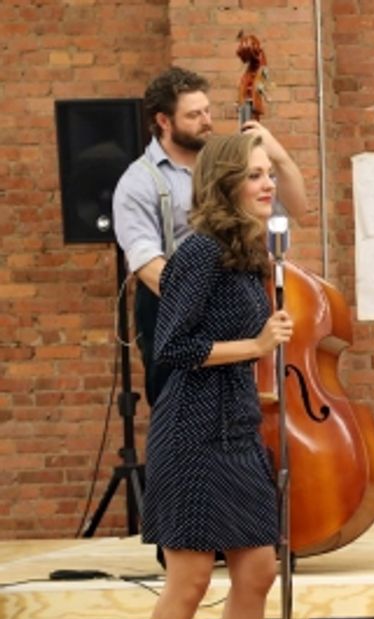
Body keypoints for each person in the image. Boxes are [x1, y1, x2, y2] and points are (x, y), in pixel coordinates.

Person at [134, 133, 294, 619]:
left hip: (236, 427)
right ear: (226, 183)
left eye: (268, 175)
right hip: (191, 430)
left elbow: (298, 196)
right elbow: (171, 345)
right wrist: (254, 344)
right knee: (190, 579)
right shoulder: (199, 252)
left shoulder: (249, 252)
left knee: (257, 570)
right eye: (254, 175)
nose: (267, 185)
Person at [113, 66, 307, 409]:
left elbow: (298, 207)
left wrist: (278, 156)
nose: (207, 120)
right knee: (180, 403)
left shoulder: (227, 164)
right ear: (164, 121)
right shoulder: (138, 182)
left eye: (207, 110)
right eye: (193, 114)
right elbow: (145, 261)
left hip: (233, 293)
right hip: (173, 304)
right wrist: (201, 296)